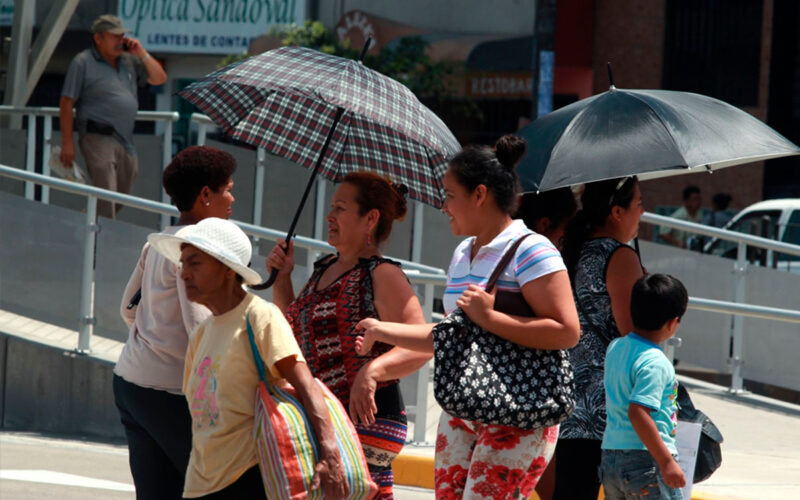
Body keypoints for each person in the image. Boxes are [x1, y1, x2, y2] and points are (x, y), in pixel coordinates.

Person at [354, 138, 581, 500]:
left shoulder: (534, 249)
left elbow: (567, 332)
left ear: (479, 194)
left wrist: (490, 318)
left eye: (449, 195)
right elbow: (453, 334)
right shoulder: (463, 252)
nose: (443, 206)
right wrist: (383, 330)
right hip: (463, 406)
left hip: (520, 410)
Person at [147, 218, 348, 499]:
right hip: (199, 484)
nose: (184, 275)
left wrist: (330, 454)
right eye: (183, 264)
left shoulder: (260, 317)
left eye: (195, 263)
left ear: (228, 270)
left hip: (248, 479)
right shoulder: (201, 334)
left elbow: (307, 385)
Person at [266, 171, 431, 500]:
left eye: (340, 208)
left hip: (367, 417)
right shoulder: (323, 268)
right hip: (326, 414)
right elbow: (293, 330)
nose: (329, 216)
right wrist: (283, 278)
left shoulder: (383, 274)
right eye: (332, 207)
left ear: (370, 219)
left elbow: (424, 343)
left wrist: (372, 372)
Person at [115, 145, 236, 499]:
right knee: (212, 490)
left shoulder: (158, 243)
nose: (232, 197)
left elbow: (127, 308)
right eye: (227, 188)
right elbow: (202, 328)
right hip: (169, 395)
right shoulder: (197, 251)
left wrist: (154, 343)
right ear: (205, 195)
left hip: (130, 383)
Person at [553, 176, 645, 500]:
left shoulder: (571, 250)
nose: (642, 213)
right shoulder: (619, 258)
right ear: (617, 212)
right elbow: (634, 335)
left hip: (572, 406)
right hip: (612, 409)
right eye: (638, 205)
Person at [59, 14, 167, 218]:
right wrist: (67, 142)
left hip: (125, 139)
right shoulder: (83, 62)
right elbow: (66, 102)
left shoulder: (128, 61)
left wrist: (141, 53)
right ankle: (102, 239)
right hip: (97, 135)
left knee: (123, 193)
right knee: (106, 189)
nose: (120, 41)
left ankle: (90, 220)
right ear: (98, 38)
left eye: (122, 37)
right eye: (114, 36)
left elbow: (160, 78)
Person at [600, 273, 688, 499]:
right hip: (646, 460)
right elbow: (638, 412)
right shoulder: (656, 362)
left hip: (610, 457)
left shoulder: (616, 348)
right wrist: (666, 461)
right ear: (672, 323)